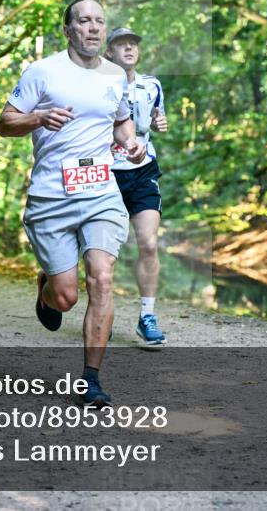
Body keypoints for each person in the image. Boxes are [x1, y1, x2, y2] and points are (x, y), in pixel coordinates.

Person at [0, 0, 146, 407]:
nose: (94, 28)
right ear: (68, 30)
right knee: (65, 298)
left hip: (100, 190)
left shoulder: (117, 75)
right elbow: (4, 123)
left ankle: (91, 379)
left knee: (102, 277)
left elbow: (120, 121)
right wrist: (38, 118)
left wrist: (131, 144)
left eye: (99, 21)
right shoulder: (43, 72)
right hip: (52, 195)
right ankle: (46, 284)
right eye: (84, 21)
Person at [105, 27, 169, 346]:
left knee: (148, 242)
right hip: (106, 170)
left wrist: (161, 124)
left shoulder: (153, 85)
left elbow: (159, 120)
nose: (129, 49)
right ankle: (104, 314)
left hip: (144, 169)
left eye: (133, 45)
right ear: (109, 53)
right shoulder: (98, 85)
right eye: (121, 44)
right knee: (106, 250)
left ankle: (147, 316)